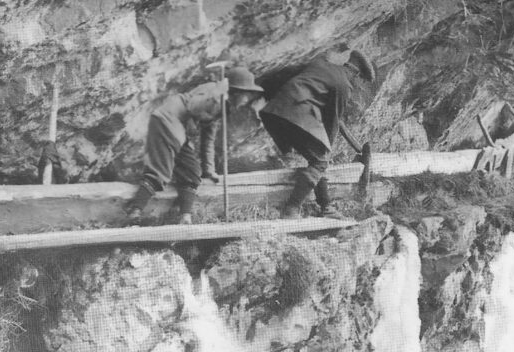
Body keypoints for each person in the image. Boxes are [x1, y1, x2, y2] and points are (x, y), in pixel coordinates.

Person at [126, 67, 265, 224]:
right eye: (246, 94)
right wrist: (217, 95)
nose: (247, 99)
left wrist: (210, 170)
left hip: (177, 129)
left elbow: (208, 139)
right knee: (161, 170)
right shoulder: (213, 92)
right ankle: (134, 211)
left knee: (192, 171)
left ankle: (185, 217)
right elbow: (193, 105)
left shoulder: (222, 108)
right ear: (236, 91)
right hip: (169, 119)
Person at [259, 50, 375, 218]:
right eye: (362, 82)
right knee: (320, 161)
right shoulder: (343, 86)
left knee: (316, 160)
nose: (360, 87)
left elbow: (287, 75)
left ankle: (326, 206)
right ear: (357, 75)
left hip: (273, 113)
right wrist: (327, 149)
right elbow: (333, 121)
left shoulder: (320, 63)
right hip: (295, 116)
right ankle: (291, 209)